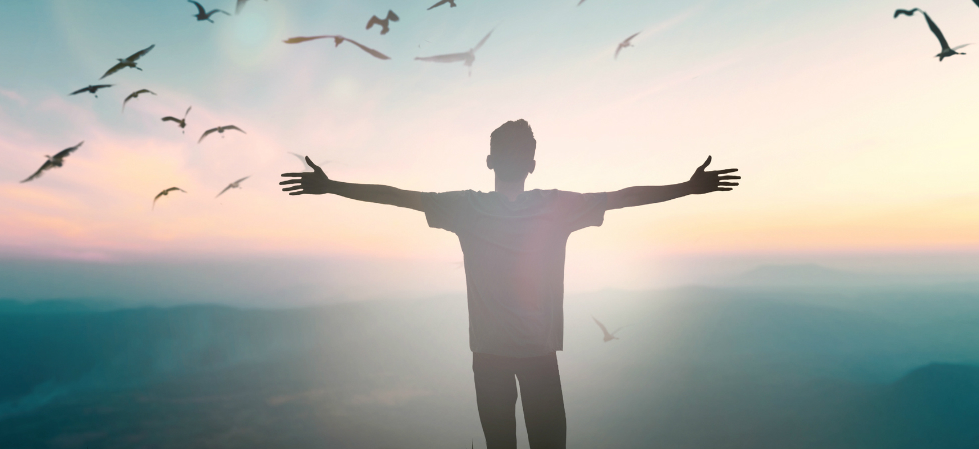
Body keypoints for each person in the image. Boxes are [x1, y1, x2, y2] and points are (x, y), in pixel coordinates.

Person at [280, 119, 740, 449]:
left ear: (489, 161)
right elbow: (623, 198)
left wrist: (333, 186)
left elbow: (396, 197)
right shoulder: (557, 206)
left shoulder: (465, 208)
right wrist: (686, 187)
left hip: (491, 359)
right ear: (532, 164)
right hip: (538, 357)